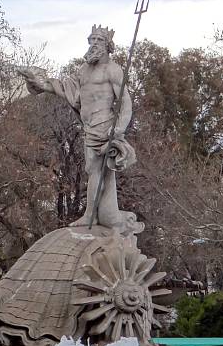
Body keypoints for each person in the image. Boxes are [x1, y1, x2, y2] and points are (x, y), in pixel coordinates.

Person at [18, 25, 139, 232]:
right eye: (91, 40)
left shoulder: (113, 70)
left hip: (105, 127)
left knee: (96, 171)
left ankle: (90, 214)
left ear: (107, 45)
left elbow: (125, 102)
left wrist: (119, 129)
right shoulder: (83, 70)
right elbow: (68, 90)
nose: (93, 44)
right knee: (96, 171)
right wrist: (42, 84)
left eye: (98, 40)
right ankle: (106, 215)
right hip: (89, 128)